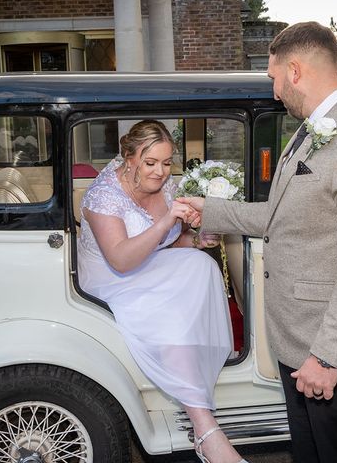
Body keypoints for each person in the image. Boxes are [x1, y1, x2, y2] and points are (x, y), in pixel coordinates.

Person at [179, 22, 337, 463]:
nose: (275, 91)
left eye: (274, 77)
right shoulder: (307, 131)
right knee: (308, 453)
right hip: (296, 338)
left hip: (335, 351)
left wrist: (326, 357)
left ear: (296, 71)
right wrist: (209, 210)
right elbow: (283, 218)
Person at [77, 120, 248, 463]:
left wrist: (199, 240)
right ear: (129, 158)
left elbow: (173, 244)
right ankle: (205, 429)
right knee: (170, 312)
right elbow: (122, 259)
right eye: (150, 162)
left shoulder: (167, 185)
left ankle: (201, 371)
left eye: (167, 163)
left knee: (201, 266)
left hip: (148, 264)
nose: (160, 172)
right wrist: (168, 220)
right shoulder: (103, 196)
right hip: (111, 277)